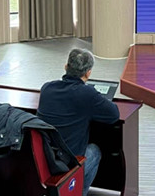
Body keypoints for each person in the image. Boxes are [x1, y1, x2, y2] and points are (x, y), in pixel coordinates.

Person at [37, 49, 119, 196]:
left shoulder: (47, 88)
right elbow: (114, 115)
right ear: (88, 73)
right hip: (67, 165)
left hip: (45, 160)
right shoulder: (87, 94)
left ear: (66, 67)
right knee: (94, 151)